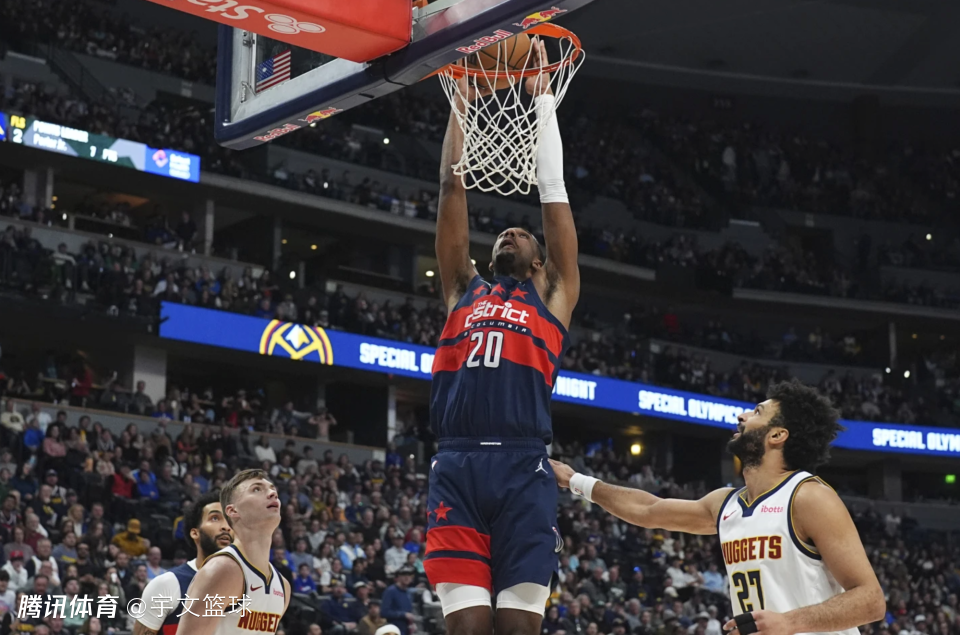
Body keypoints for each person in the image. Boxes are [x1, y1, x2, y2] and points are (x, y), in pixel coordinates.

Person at [426, 40, 581, 635]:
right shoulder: (462, 291)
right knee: (467, 627)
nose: (508, 232)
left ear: (541, 261)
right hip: (457, 462)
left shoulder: (553, 297)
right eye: (502, 234)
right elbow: (451, 190)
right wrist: (461, 107)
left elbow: (554, 193)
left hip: (524, 466)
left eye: (521, 233)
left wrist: (542, 103)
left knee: (518, 628)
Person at [551, 380, 886, 635]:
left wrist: (788, 622)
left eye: (757, 412)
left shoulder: (808, 496)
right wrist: (575, 480)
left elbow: (871, 600)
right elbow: (648, 509)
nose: (742, 416)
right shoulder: (726, 503)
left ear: (777, 435)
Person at [177, 469, 290, 635]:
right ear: (232, 511)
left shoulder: (283, 585)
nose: (273, 493)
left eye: (273, 489)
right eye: (257, 489)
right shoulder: (222, 569)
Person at [133, 490, 233, 635]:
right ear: (195, 533)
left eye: (230, 520)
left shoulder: (252, 586)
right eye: (215, 518)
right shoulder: (167, 584)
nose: (226, 527)